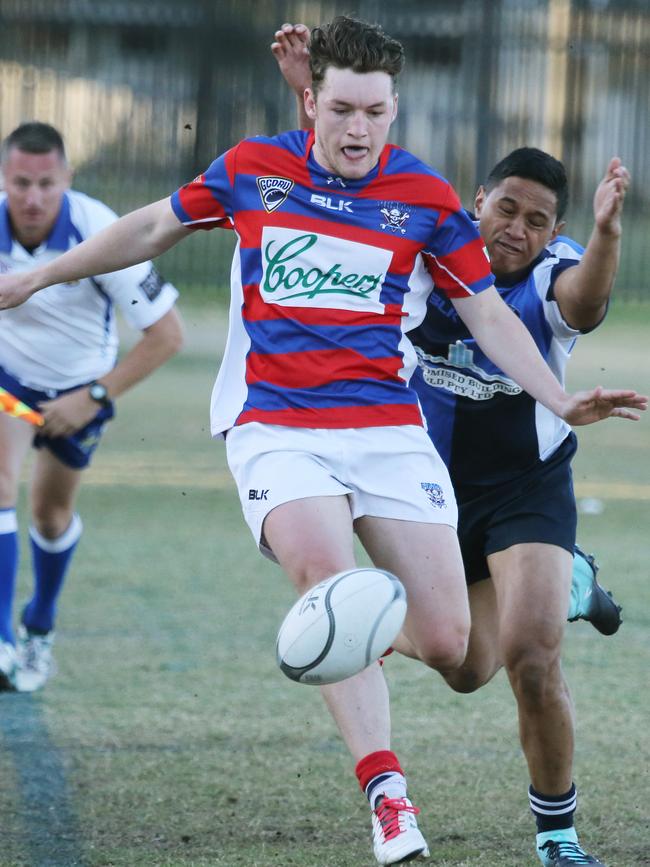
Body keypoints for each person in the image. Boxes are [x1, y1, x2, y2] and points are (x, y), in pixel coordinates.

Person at [0, 19, 645, 866]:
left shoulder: (426, 200)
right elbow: (153, 228)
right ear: (314, 102)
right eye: (340, 108)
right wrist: (41, 273)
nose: (357, 128)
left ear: (393, 109)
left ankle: (553, 585)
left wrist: (559, 395)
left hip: (386, 429)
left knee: (457, 651)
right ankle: (389, 798)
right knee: (329, 586)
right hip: (277, 427)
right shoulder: (253, 170)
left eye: (374, 111)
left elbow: (489, 312)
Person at [271, 22, 635, 866]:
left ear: (554, 232)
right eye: (505, 208)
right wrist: (302, 92)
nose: (517, 229)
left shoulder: (550, 273)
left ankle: (558, 834)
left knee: (531, 660)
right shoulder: (424, 246)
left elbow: (581, 304)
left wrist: (607, 234)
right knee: (465, 664)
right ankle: (566, 585)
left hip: (526, 487)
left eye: (538, 221)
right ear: (476, 201)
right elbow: (336, 160)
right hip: (424, 484)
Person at [0, 122, 183, 693]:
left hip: (81, 389)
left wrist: (93, 397)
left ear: (67, 180)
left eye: (45, 184)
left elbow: (166, 336)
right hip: (8, 384)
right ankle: (2, 643)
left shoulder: (102, 234)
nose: (32, 198)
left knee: (50, 515)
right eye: (20, 183)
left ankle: (39, 626)